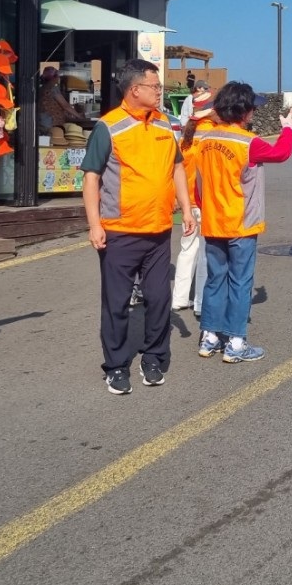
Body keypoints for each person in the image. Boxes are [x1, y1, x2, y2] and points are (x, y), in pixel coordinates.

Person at [81, 59, 197, 395]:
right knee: (116, 304)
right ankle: (116, 366)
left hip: (159, 230)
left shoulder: (165, 124)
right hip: (120, 231)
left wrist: (186, 210)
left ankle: (154, 357)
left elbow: (177, 168)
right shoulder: (109, 127)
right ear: (135, 90)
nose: (160, 91)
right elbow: (91, 178)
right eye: (155, 86)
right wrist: (94, 225)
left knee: (159, 298)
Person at [195, 82, 292, 361]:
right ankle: (236, 342)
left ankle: (210, 336)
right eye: (252, 107)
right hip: (241, 221)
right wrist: (287, 128)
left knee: (215, 279)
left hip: (214, 220)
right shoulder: (247, 143)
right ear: (244, 111)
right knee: (240, 281)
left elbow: (197, 181)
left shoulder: (205, 139)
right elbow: (282, 153)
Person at [171, 90, 214, 314]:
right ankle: (200, 302)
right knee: (206, 253)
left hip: (187, 201)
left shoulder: (186, 137)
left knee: (187, 249)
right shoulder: (211, 134)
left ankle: (179, 297)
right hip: (204, 201)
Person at [37, 66, 90, 134]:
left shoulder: (41, 89)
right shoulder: (53, 88)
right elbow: (65, 106)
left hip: (42, 122)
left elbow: (55, 107)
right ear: (54, 77)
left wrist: (69, 116)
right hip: (52, 124)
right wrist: (78, 116)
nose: (59, 78)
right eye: (58, 76)